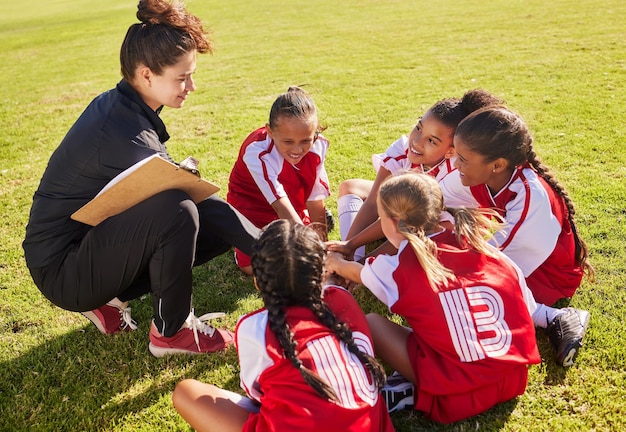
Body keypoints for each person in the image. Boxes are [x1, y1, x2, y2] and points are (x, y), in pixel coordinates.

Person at [22, 0, 260, 357]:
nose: (191, 86)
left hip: (80, 245)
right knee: (179, 210)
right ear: (147, 75)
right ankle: (171, 332)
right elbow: (190, 197)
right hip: (62, 269)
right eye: (182, 77)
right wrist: (271, 247)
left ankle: (110, 297)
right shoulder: (124, 131)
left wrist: (260, 242)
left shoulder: (124, 105)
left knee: (211, 227)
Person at [325, 173, 541, 423]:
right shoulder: (485, 249)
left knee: (372, 322)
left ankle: (410, 390)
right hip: (512, 377)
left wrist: (335, 263)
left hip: (459, 391)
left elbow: (357, 273)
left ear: (393, 223)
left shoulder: (397, 269)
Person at [172, 220, 395, 432]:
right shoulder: (343, 298)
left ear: (258, 282)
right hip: (368, 424)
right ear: (323, 272)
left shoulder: (253, 327)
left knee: (186, 392)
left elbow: (255, 394)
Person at [438, 105, 594, 366]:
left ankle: (555, 317)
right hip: (512, 259)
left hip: (547, 275)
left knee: (460, 300)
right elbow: (434, 199)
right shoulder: (483, 174)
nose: (455, 164)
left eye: (464, 159)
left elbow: (494, 269)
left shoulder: (531, 197)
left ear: (497, 165)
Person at [336, 89, 504, 261]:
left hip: (449, 224)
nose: (416, 141)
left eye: (431, 141)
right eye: (418, 128)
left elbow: (413, 221)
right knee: (350, 187)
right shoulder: (403, 149)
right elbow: (373, 201)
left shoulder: (455, 173)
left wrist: (361, 265)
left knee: (424, 225)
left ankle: (365, 264)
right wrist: (348, 246)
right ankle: (349, 256)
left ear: (451, 151)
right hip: (411, 215)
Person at [227, 86, 331, 275]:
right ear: (270, 131)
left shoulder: (319, 145)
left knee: (309, 242)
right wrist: (313, 255)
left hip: (292, 204)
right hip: (253, 208)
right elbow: (280, 206)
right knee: (257, 266)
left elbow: (316, 198)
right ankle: (239, 247)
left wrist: (322, 246)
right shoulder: (257, 151)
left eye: (305, 140)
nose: (298, 149)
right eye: (288, 142)